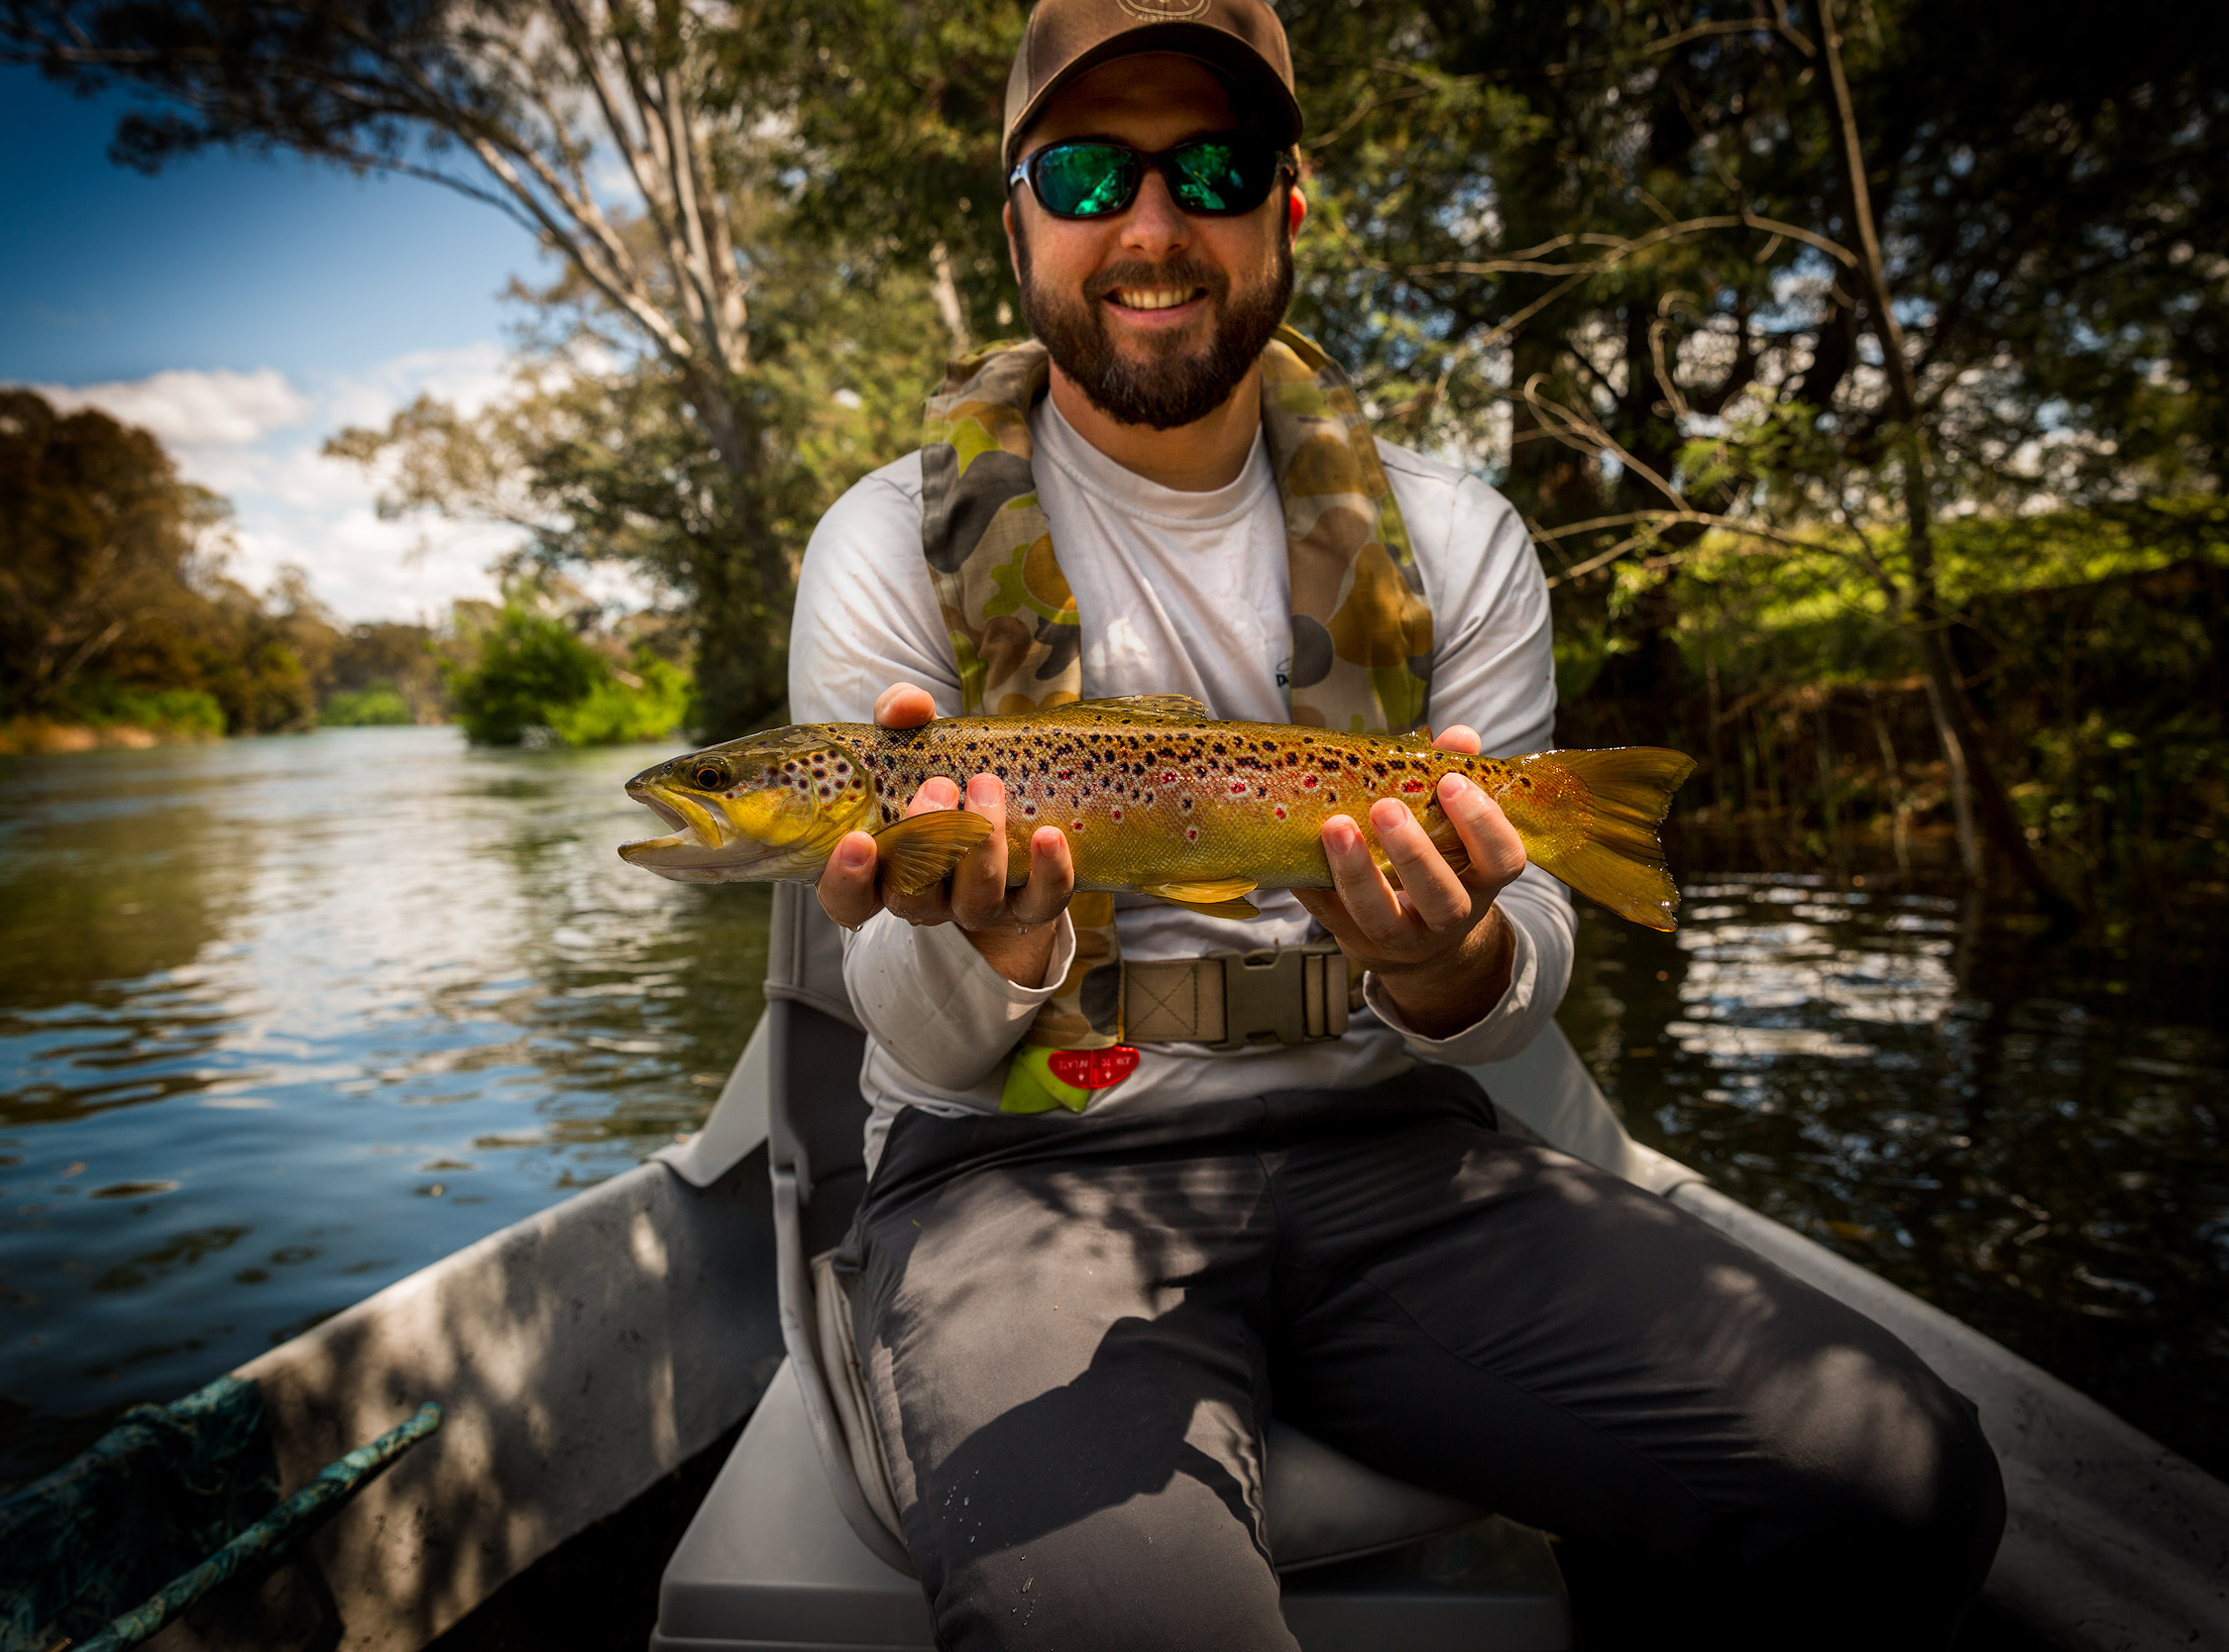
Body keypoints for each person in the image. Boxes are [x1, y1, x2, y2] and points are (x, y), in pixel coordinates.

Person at [787, 2, 2006, 1645]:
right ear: (1017, 219)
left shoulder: (1455, 534)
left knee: (1906, 1485)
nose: (1152, 226)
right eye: (1087, 172)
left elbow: (1521, 972)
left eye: (1211, 166)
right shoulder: (882, 546)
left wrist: (1450, 962)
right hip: (1016, 1167)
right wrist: (997, 946)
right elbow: (918, 1046)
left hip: (1392, 1152)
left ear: (1288, 204)